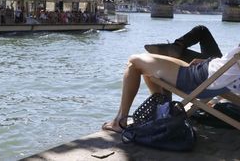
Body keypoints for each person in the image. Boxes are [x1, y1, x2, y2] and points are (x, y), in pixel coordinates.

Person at [102, 26, 240, 133]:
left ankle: (119, 122)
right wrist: (210, 61)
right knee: (147, 65)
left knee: (135, 61)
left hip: (200, 79)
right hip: (207, 72)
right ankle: (163, 113)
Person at [144, 25, 223, 63]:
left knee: (172, 54)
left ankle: (176, 47)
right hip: (223, 64)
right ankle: (176, 47)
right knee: (201, 30)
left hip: (218, 67)